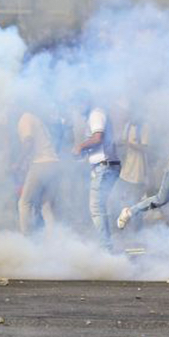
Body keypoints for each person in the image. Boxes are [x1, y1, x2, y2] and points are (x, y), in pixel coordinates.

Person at [72, 102, 120, 249]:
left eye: (78, 104)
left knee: (97, 207)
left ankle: (105, 247)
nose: (77, 108)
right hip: (105, 166)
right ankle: (106, 244)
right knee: (100, 207)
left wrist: (80, 146)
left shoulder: (96, 114)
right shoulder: (95, 115)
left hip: (104, 166)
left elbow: (98, 137)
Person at [16, 112, 60, 234]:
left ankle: (27, 240)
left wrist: (18, 163)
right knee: (46, 206)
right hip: (54, 162)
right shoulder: (37, 118)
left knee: (24, 203)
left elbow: (28, 141)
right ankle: (54, 240)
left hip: (41, 163)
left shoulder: (25, 118)